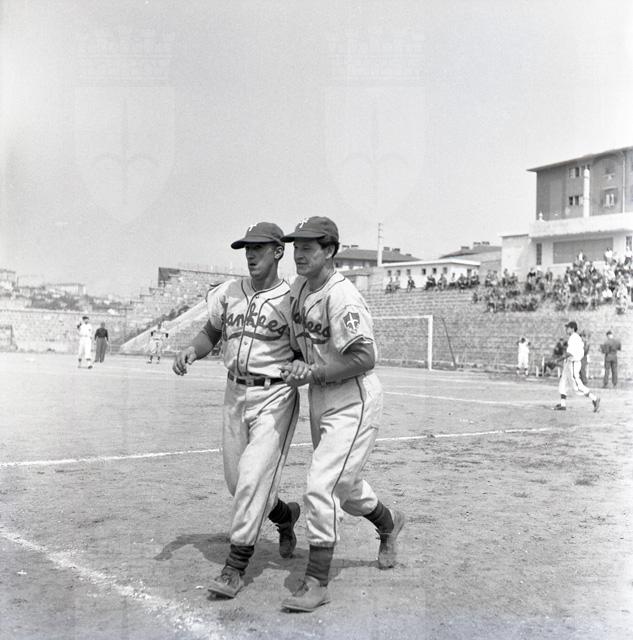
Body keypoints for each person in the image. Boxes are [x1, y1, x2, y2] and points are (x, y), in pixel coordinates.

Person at [279, 216, 405, 613]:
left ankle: (317, 581)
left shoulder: (343, 296)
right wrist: (297, 362)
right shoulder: (300, 288)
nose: (299, 254)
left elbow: (365, 357)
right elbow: (297, 343)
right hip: (322, 395)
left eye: (308, 247)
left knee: (322, 485)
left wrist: (312, 371)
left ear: (330, 250)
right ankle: (388, 522)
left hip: (353, 398)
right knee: (344, 489)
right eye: (296, 246)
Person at [172, 221, 301, 600]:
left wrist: (302, 369)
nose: (250, 254)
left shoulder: (292, 299)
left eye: (258, 248)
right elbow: (212, 331)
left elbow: (304, 351)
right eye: (247, 248)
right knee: (237, 483)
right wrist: (192, 350)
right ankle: (285, 515)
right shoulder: (230, 291)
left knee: (250, 478)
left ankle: (235, 566)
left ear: (278, 251)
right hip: (235, 391)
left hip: (274, 396)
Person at [554, 321, 600, 412]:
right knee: (563, 381)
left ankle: (594, 398)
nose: (566, 329)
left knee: (577, 386)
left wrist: (557, 360)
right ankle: (563, 404)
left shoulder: (574, 338)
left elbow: (569, 353)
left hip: (573, 363)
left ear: (572, 328)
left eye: (568, 328)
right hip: (569, 362)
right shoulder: (575, 337)